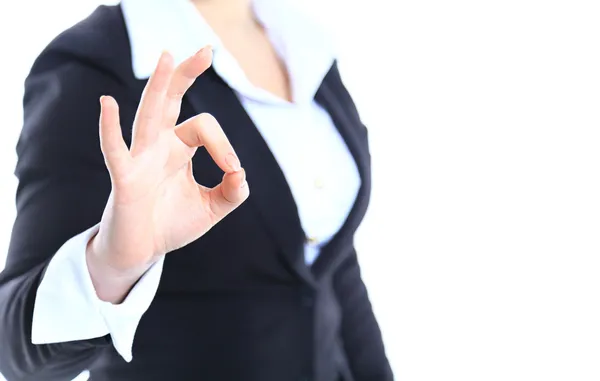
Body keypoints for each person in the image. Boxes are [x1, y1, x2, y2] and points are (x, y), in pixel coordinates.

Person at [0, 0, 393, 380]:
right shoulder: (94, 65)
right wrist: (112, 268)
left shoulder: (304, 42)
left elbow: (330, 261)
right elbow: (13, 350)